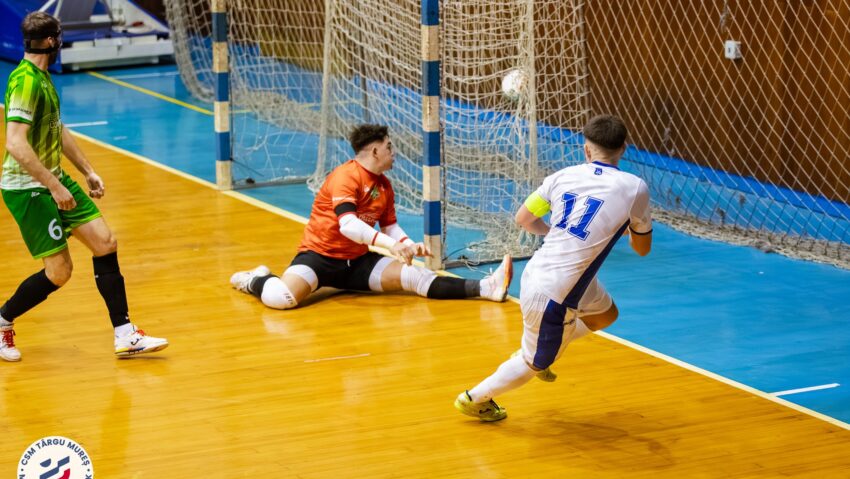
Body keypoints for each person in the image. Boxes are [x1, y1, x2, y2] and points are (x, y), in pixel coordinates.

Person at [454, 114, 652, 421]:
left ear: (586, 150)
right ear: (624, 148)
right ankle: (474, 398)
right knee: (532, 364)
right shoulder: (635, 188)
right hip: (554, 294)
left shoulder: (562, 176)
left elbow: (524, 219)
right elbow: (642, 249)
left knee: (606, 314)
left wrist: (556, 232)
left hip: (546, 275)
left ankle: (546, 343)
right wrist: (630, 231)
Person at [0, 12, 168, 362]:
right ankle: (3, 320)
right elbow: (16, 143)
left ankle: (125, 335)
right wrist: (54, 187)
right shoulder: (25, 81)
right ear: (50, 42)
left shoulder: (44, 78)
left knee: (105, 242)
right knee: (59, 273)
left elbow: (57, 128)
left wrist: (87, 170)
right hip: (27, 187)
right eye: (59, 37)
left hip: (53, 179)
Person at [230, 123, 513, 309]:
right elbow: (348, 225)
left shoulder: (384, 186)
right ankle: (254, 279)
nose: (394, 152)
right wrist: (393, 247)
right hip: (319, 257)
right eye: (389, 147)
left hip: (357, 263)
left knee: (417, 277)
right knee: (283, 298)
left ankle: (486, 287)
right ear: (375, 150)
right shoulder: (346, 176)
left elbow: (389, 226)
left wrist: (408, 243)